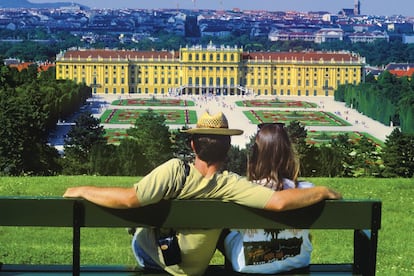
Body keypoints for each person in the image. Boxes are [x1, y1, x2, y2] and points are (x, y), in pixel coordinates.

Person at [63, 112, 342, 276]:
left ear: (193, 145)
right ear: (228, 148)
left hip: (158, 260)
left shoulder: (174, 170)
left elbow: (126, 199)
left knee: (140, 225)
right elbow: (280, 202)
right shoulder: (230, 184)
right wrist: (324, 190)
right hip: (195, 268)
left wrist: (81, 189)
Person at [223, 122, 314, 274]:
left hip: (248, 264)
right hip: (298, 261)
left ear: (255, 156)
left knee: (227, 233)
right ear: (289, 154)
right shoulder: (308, 191)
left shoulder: (244, 190)